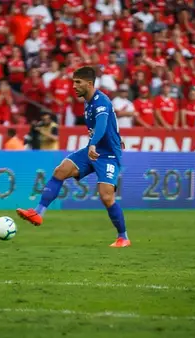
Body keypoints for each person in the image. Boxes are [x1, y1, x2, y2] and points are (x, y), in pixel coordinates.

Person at [17, 67, 129, 248]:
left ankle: (123, 237)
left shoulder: (101, 101)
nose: (73, 86)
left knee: (106, 197)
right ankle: (38, 213)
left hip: (107, 154)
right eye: (73, 82)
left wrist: (95, 143)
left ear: (90, 84)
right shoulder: (87, 102)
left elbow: (101, 125)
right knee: (60, 171)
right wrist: (113, 136)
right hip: (93, 149)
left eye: (78, 82)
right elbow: (108, 123)